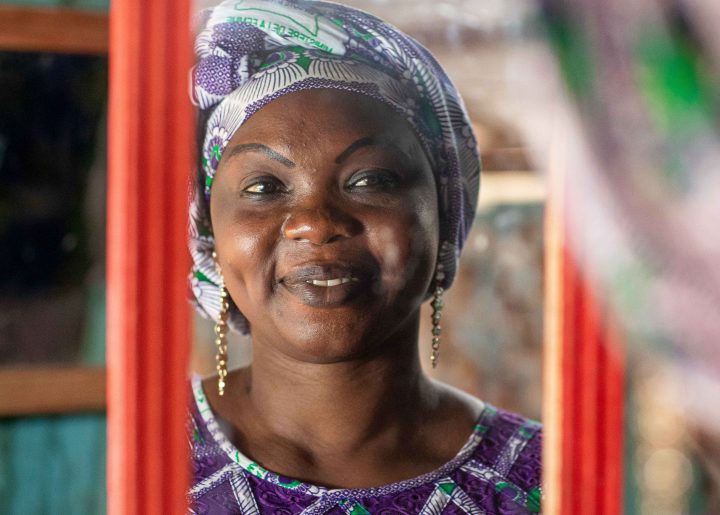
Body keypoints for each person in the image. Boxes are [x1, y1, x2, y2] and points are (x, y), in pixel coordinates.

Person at [187, 1, 542, 513]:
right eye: (263, 187)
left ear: (443, 213)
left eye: (370, 180)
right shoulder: (134, 454)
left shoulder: (547, 481)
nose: (316, 223)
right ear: (208, 232)